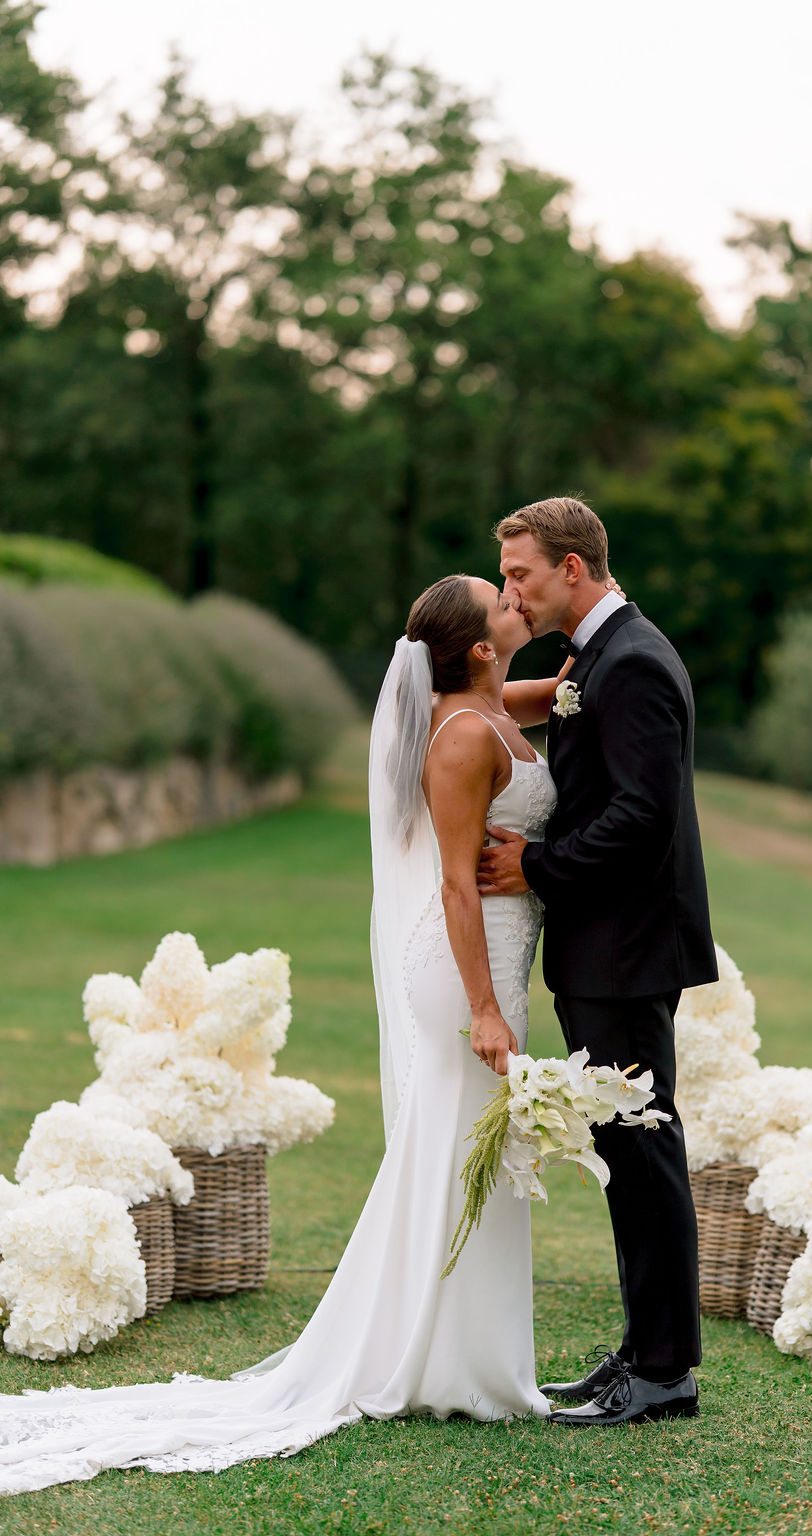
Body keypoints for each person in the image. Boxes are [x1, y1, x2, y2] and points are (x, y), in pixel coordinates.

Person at [0, 573, 565, 1496]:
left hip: (495, 959)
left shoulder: (493, 707)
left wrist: (580, 682)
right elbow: (456, 885)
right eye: (499, 600)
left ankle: (456, 1355)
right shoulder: (465, 736)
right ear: (476, 648)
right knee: (457, 1147)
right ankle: (438, 1360)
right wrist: (487, 1009)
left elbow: (533, 700)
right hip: (467, 968)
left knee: (466, 1148)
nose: (514, 599)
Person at [478, 496, 717, 1427]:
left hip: (627, 949)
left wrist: (535, 865)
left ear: (571, 568)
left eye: (521, 575)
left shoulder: (635, 662)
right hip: (605, 949)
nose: (512, 593)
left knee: (644, 1149)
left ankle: (665, 1374)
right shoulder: (597, 657)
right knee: (625, 1147)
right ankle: (642, 1353)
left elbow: (642, 818)